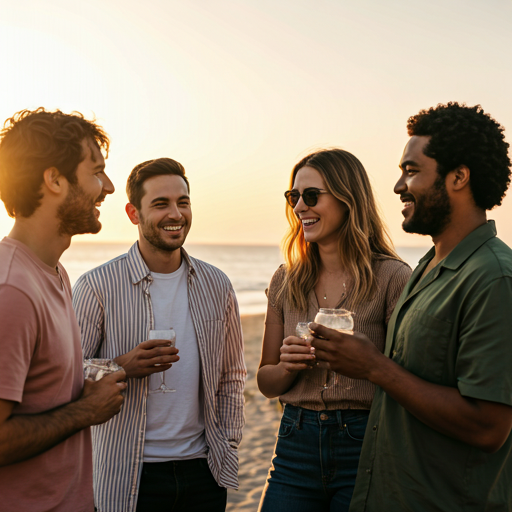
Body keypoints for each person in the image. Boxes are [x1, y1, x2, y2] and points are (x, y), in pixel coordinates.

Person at [311, 103, 512, 511]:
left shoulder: (493, 277)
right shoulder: (426, 267)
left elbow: (489, 427)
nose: (399, 185)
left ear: (459, 177)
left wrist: (373, 367)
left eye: (412, 170)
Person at [72, 157, 246, 512]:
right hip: (128, 474)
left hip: (204, 471)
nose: (176, 214)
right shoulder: (97, 286)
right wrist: (121, 366)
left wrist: (227, 441)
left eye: (183, 202)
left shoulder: (217, 284)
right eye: (161, 204)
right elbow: (69, 375)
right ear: (134, 213)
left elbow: (232, 375)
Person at [256, 148, 411, 512]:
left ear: (348, 199)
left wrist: (365, 362)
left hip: (365, 443)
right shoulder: (285, 280)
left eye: (311, 196)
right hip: (294, 443)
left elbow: (406, 381)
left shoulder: (393, 277)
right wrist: (287, 367)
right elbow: (265, 382)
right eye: (294, 197)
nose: (299, 208)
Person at [0, 108, 126, 512]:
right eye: (96, 172)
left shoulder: (54, 272)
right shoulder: (11, 289)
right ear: (54, 179)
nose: (107, 187)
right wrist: (86, 410)